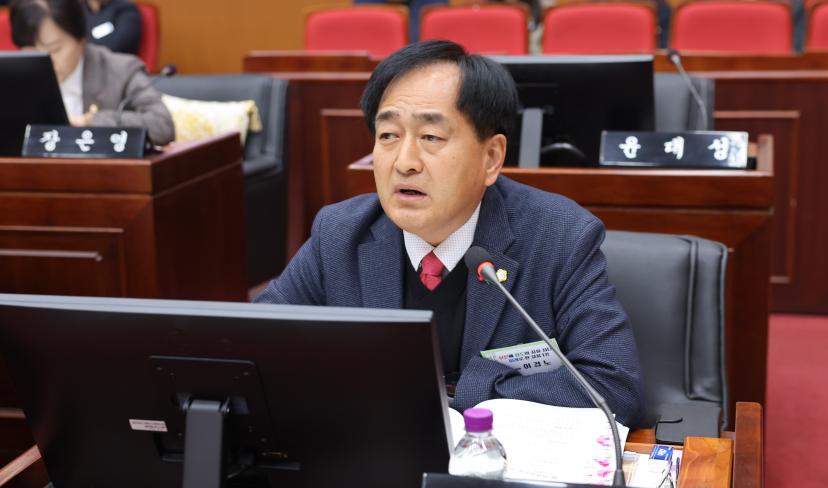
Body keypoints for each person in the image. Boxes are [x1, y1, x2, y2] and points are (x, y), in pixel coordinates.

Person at [256, 40, 641, 425]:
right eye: (388, 135)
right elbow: (255, 353)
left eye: (431, 137)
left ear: (491, 158)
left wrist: (459, 394)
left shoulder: (559, 236)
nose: (404, 162)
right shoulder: (340, 234)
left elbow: (611, 387)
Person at [9, 0, 174, 146]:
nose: (45, 61)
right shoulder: (13, 75)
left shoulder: (120, 70)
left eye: (55, 49)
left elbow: (162, 125)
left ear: (81, 40)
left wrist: (90, 121)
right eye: (31, 51)